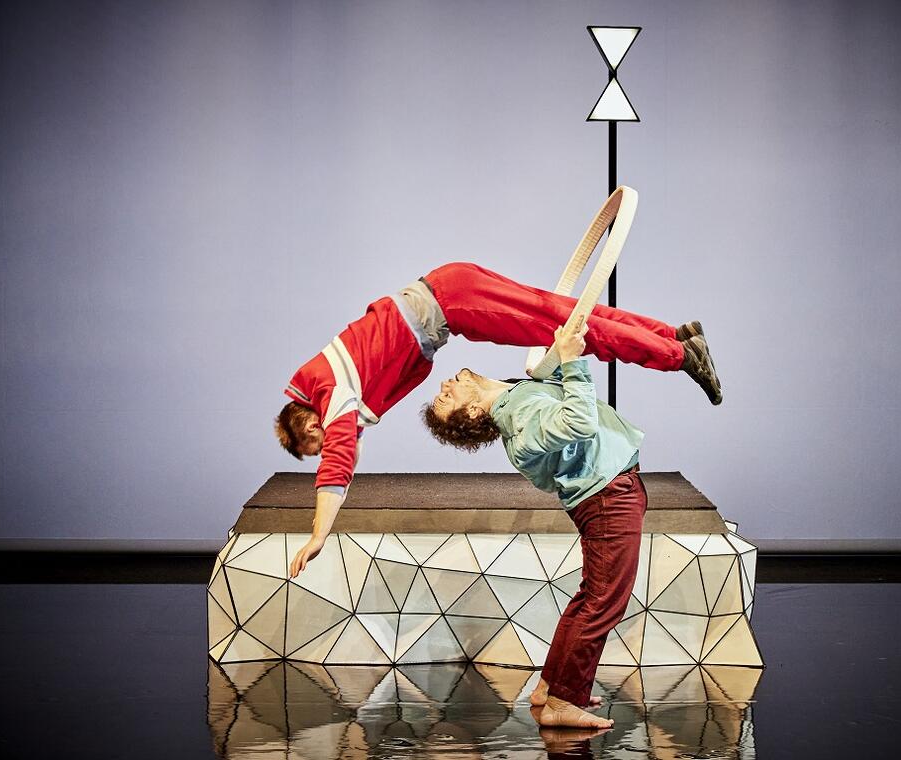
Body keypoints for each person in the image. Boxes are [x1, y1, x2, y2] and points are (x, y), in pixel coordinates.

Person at [279, 261, 720, 577]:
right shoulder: (326, 378)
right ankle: (673, 334)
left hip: (453, 302)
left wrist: (319, 534)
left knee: (571, 332)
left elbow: (339, 464)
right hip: (449, 289)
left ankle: (679, 355)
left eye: (321, 444)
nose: (338, 441)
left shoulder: (333, 393)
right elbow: (348, 446)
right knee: (564, 314)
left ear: (314, 425)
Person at [422, 319, 646, 730]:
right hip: (608, 498)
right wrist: (572, 360)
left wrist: (555, 354)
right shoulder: (520, 419)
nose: (443, 385)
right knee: (603, 602)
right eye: (445, 398)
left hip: (608, 493)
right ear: (473, 411)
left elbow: (557, 397)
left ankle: (551, 688)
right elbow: (579, 421)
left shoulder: (517, 398)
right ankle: (563, 702)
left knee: (591, 597)